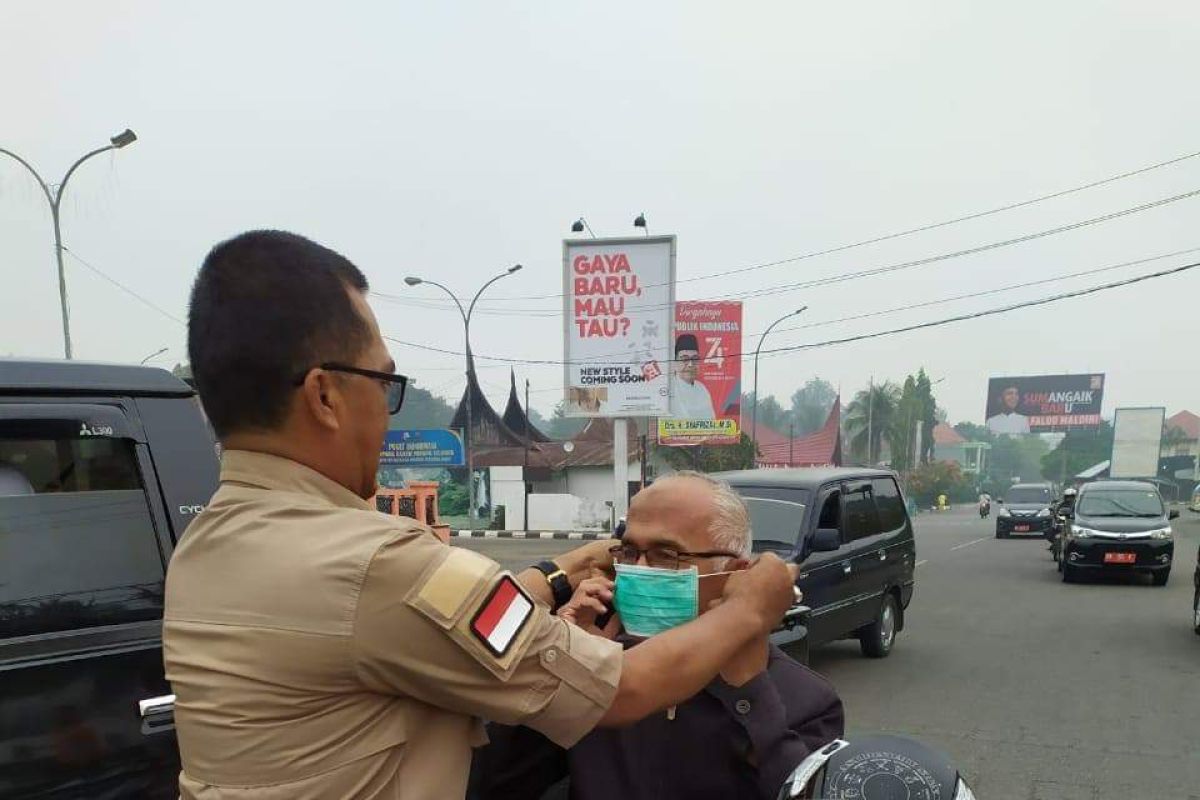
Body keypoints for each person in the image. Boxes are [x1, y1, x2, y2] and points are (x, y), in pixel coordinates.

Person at [163, 230, 798, 800]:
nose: (387, 410)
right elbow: (622, 688)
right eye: (384, 383)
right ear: (325, 396)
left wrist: (562, 571)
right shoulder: (377, 564)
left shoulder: (206, 544)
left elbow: (429, 621)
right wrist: (749, 609)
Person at [473, 472, 844, 800]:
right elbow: (497, 782)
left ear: (735, 573)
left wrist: (749, 693)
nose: (638, 570)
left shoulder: (806, 699)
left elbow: (803, 786)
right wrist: (562, 659)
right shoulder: (603, 671)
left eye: (667, 555)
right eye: (630, 552)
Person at [670, 334, 716, 420]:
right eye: (685, 359)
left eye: (695, 359)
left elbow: (712, 421)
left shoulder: (702, 389)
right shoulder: (669, 389)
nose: (691, 365)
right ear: (675, 362)